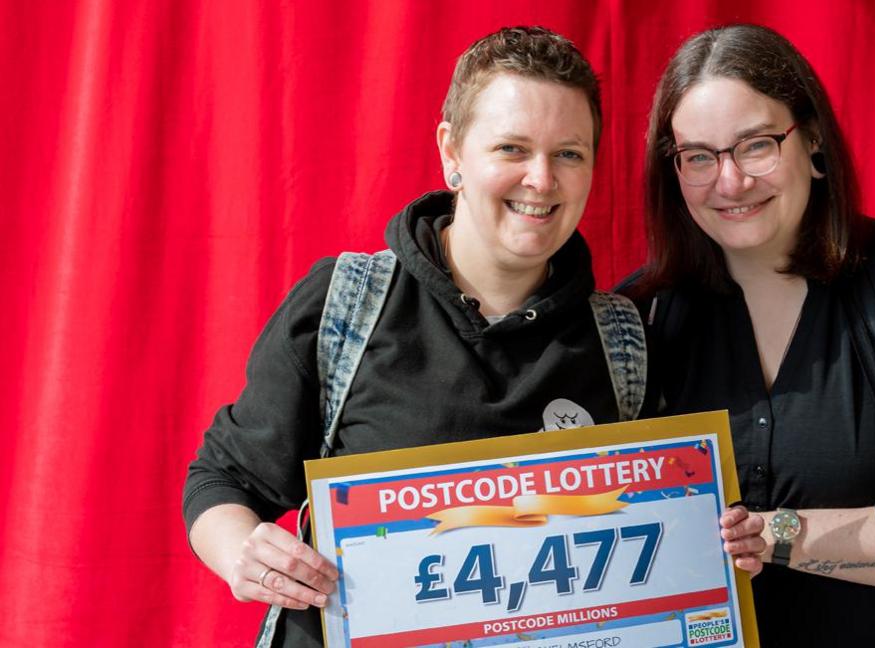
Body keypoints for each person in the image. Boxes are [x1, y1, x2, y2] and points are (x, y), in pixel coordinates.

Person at [183, 27, 646, 647]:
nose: (542, 179)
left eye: (569, 153)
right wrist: (245, 553)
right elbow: (221, 480)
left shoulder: (623, 342)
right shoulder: (346, 306)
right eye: (511, 148)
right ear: (451, 152)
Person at [621, 24, 875, 646]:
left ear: (811, 139)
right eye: (698, 156)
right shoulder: (634, 320)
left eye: (755, 145)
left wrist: (779, 536)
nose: (729, 182)